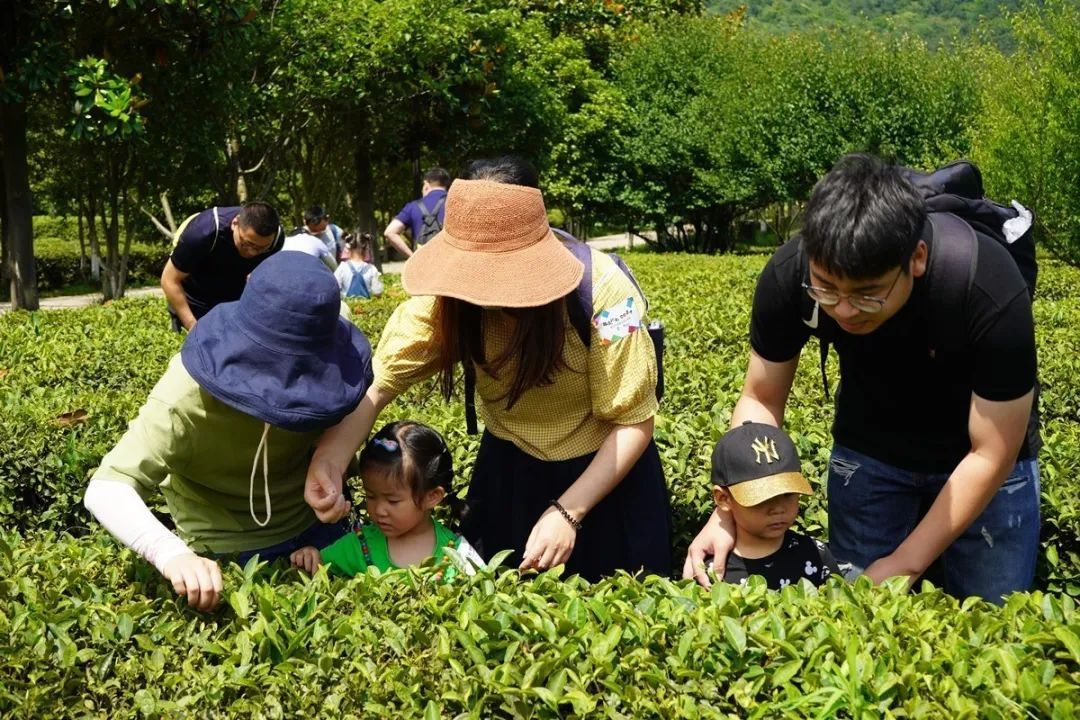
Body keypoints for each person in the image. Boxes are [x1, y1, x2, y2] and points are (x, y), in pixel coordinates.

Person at [684, 154, 1039, 604]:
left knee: (993, 619)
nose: (844, 310)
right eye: (826, 288)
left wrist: (907, 561)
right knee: (854, 633)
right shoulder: (788, 274)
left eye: (868, 295)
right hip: (869, 453)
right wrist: (729, 511)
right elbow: (760, 399)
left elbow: (992, 450)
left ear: (917, 258)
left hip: (985, 461)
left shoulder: (984, 283)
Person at [305, 156, 671, 582]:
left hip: (604, 475)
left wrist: (568, 513)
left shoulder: (606, 292)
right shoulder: (449, 298)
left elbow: (634, 422)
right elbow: (378, 386)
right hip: (511, 469)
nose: (484, 293)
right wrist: (330, 459)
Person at [84, 252, 374, 612]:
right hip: (227, 550)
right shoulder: (185, 393)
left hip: (323, 529)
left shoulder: (325, 329)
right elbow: (107, 487)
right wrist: (172, 554)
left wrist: (330, 458)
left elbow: (359, 396)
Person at [290, 421, 483, 579]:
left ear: (431, 497)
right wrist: (309, 557)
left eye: (392, 501)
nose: (379, 510)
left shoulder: (457, 552)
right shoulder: (359, 544)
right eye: (371, 496)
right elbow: (319, 567)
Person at [709, 422, 838, 589]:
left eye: (788, 494)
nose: (778, 508)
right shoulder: (714, 571)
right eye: (762, 498)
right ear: (724, 498)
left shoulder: (815, 553)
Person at [161, 201, 283, 332]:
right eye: (247, 244)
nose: (252, 252)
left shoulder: (275, 241)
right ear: (235, 223)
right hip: (192, 301)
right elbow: (169, 279)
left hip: (232, 304)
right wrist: (193, 327)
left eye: (261, 248)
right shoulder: (204, 231)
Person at [383, 167, 450, 258]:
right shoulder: (456, 203)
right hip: (451, 265)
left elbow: (390, 232)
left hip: (422, 265)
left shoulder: (413, 206)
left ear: (426, 184)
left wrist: (412, 258)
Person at [334, 233, 383, 298]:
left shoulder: (342, 267)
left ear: (348, 248)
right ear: (366, 248)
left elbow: (334, 289)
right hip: (366, 306)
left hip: (347, 305)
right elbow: (377, 292)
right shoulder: (371, 269)